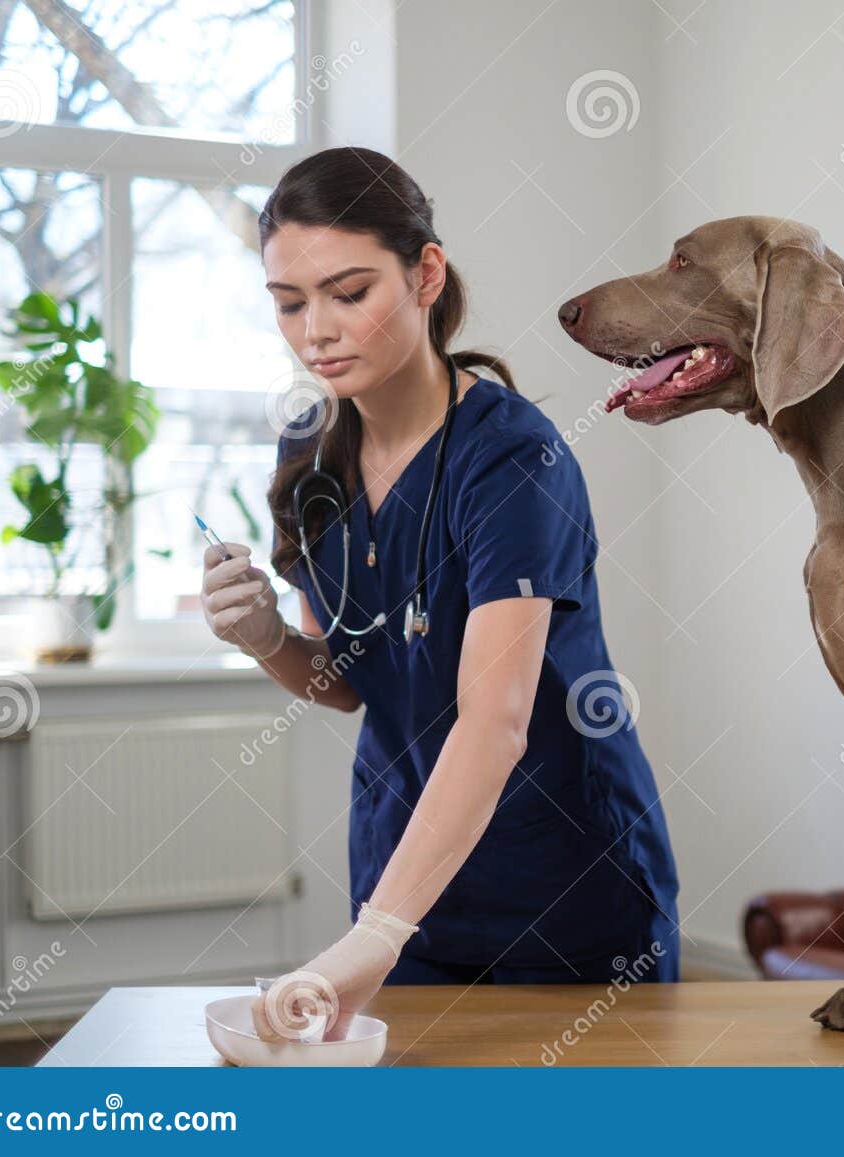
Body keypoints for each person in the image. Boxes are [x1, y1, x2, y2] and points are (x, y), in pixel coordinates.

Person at [198, 146, 679, 1042]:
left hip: (563, 883)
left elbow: (494, 721)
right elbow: (349, 678)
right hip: (405, 878)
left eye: (349, 293)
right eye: (290, 303)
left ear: (425, 275)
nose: (316, 332)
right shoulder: (307, 450)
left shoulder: (512, 460)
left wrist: (367, 939)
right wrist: (267, 636)